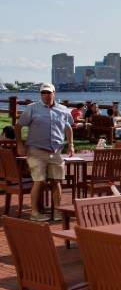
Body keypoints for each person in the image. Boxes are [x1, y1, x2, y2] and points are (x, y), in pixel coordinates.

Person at [15, 83, 74, 222]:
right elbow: (18, 126)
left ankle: (58, 212)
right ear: (40, 94)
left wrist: (71, 144)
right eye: (43, 93)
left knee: (56, 181)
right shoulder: (32, 108)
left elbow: (68, 127)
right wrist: (19, 144)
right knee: (39, 181)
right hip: (36, 151)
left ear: (54, 93)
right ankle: (35, 213)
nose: (46, 95)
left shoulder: (63, 110)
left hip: (56, 151)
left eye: (49, 92)